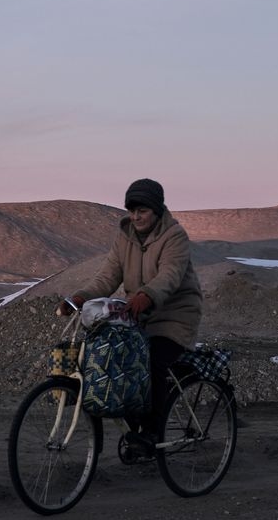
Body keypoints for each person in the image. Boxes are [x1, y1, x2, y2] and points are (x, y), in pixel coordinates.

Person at [58, 178, 203, 455]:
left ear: (157, 210)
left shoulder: (174, 236)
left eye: (143, 211)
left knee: (151, 361)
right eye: (132, 210)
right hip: (138, 314)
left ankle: (151, 432)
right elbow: (109, 275)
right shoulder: (124, 237)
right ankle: (134, 421)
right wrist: (80, 296)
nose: (136, 216)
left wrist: (146, 294)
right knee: (117, 358)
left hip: (175, 315)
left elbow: (170, 275)